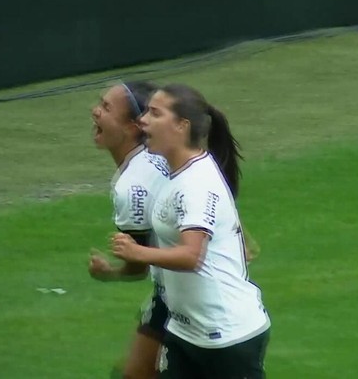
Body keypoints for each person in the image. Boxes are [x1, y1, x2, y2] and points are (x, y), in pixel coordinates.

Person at [112, 84, 271, 379]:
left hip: (226, 337)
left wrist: (138, 252)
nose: (143, 120)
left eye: (155, 113)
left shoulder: (195, 184)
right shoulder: (178, 173)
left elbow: (191, 256)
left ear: (181, 126)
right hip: (185, 331)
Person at [87, 80, 170, 379]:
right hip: (181, 289)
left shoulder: (131, 187)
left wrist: (109, 272)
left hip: (183, 295)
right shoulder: (163, 156)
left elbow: (138, 266)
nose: (95, 112)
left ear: (134, 126)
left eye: (107, 108)